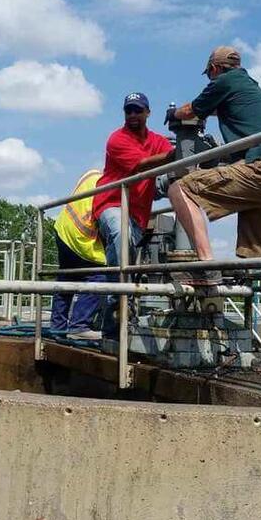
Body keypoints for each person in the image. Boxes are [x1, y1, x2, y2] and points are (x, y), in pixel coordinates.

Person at [165, 46, 261, 373]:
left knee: (179, 187)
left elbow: (190, 110)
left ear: (213, 68)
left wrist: (173, 115)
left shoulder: (226, 81)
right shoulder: (253, 89)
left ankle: (205, 265)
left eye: (209, 72)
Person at [92, 93, 174, 338]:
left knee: (122, 261)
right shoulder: (117, 139)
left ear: (148, 113)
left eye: (137, 110)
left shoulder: (157, 140)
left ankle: (116, 324)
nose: (133, 115)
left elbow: (172, 159)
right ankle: (116, 321)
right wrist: (174, 155)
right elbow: (141, 166)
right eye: (129, 111)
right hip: (112, 205)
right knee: (121, 236)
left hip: (137, 215)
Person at [50, 169, 107, 340]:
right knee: (100, 276)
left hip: (62, 230)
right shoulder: (110, 186)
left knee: (67, 277)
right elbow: (105, 221)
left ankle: (57, 327)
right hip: (81, 237)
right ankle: (79, 326)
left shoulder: (92, 174)